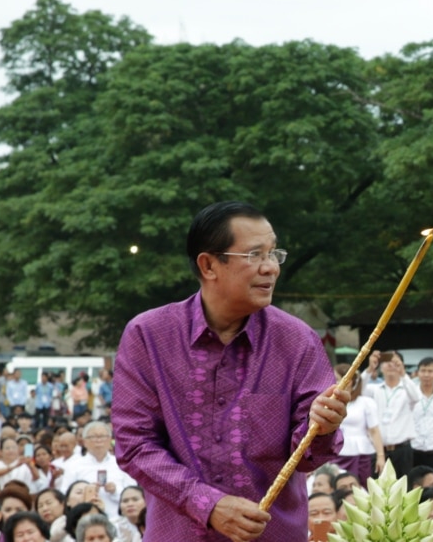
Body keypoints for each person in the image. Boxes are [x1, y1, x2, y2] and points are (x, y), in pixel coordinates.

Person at [113, 201, 349, 541]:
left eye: (274, 254)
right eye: (255, 255)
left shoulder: (298, 341)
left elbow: (309, 456)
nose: (271, 268)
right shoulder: (149, 336)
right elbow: (134, 445)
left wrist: (323, 427)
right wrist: (207, 504)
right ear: (209, 265)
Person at [362, 350, 420, 477]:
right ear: (381, 367)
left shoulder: (407, 389)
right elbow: (356, 390)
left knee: (403, 490)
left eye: (395, 362)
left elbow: (416, 397)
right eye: (387, 361)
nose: (390, 365)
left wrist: (403, 373)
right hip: (378, 450)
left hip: (402, 450)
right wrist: (370, 368)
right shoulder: (374, 390)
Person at [56, 424, 132, 517]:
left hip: (118, 518)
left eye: (102, 436)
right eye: (93, 437)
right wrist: (86, 492)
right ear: (84, 441)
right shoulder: (74, 465)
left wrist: (115, 491)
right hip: (85, 519)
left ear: (109, 439)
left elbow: (133, 493)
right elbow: (65, 494)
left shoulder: (122, 464)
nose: (98, 440)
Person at [328, 364, 382, 486]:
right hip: (335, 452)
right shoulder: (331, 401)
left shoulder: (366, 402)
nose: (334, 382)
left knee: (360, 487)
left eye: (337, 379)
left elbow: (374, 430)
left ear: (349, 381)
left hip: (359, 453)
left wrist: (380, 456)